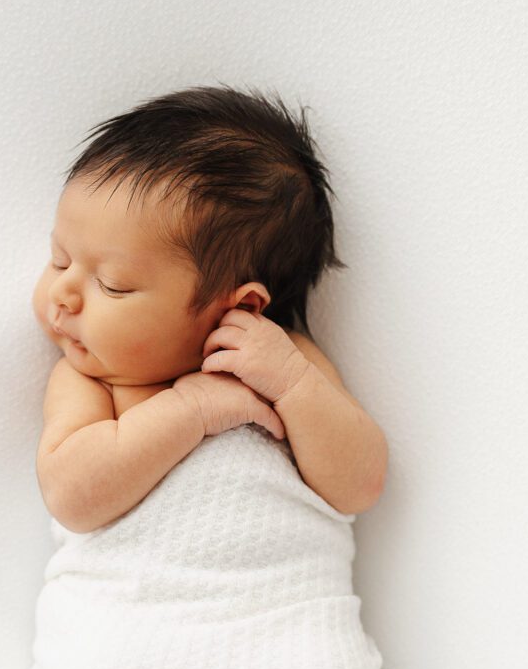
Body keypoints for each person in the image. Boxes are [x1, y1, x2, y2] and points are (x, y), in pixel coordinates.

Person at [31, 83, 388, 532]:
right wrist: (192, 408)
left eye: (113, 285)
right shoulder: (92, 381)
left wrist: (292, 385)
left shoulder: (286, 367)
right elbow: (70, 498)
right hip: (126, 581)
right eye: (59, 260)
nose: (62, 292)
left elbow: (360, 487)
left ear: (242, 308)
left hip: (290, 581)